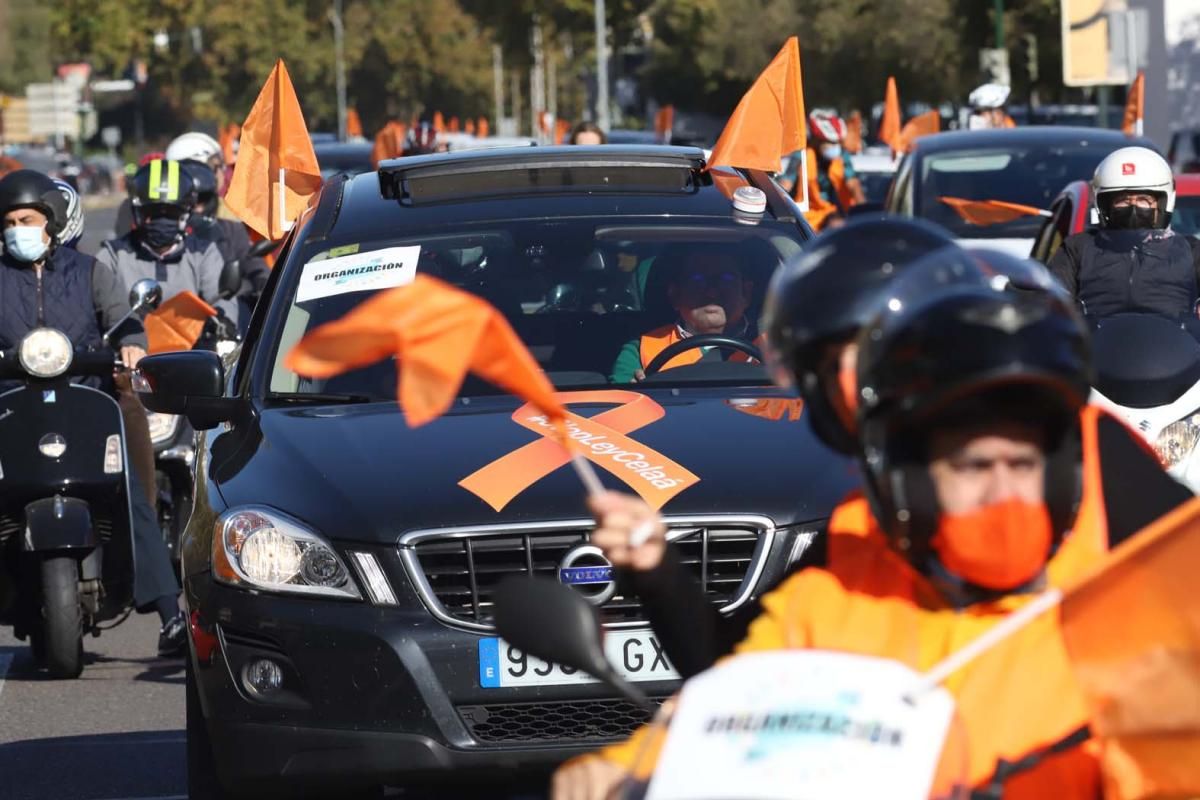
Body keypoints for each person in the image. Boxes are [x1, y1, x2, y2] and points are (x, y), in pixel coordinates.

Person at [557, 250, 1137, 799]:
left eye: (1024, 465)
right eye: (972, 466)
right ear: (913, 481)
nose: (1001, 492)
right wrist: (622, 766)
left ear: (1062, 478)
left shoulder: (1124, 611)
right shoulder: (836, 595)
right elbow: (730, 703)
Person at [0, 169, 186, 656]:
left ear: (52, 222)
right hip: (11, 405)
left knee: (133, 492)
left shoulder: (89, 272)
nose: (17, 228)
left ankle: (170, 613)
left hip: (88, 398)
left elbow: (123, 321)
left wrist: (129, 345)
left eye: (28, 218)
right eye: (10, 221)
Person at [1049, 146, 1200, 321]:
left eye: (1144, 200)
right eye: (1122, 201)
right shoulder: (1078, 249)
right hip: (1097, 346)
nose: (1133, 209)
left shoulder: (1190, 251)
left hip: (1178, 346)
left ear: (1162, 203)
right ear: (1105, 206)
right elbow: (1048, 293)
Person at [95, 158, 235, 323]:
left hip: (194, 347)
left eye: (171, 213)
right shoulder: (113, 256)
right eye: (153, 212)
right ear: (138, 214)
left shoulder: (203, 254)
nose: (162, 220)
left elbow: (222, 301)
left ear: (185, 215)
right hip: (129, 346)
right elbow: (94, 307)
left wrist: (224, 322)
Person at [609, 243, 763, 383]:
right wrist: (635, 394)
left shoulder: (778, 348)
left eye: (725, 279)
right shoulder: (640, 351)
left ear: (746, 293)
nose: (712, 292)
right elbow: (616, 409)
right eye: (697, 280)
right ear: (675, 295)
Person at [179, 158, 268, 326]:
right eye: (189, 202)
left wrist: (265, 284)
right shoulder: (173, 238)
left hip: (228, 316)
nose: (196, 208)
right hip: (184, 320)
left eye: (202, 200)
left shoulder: (232, 230)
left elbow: (252, 261)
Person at [780, 111, 864, 231]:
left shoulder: (841, 156)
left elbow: (854, 184)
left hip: (834, 214)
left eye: (836, 143)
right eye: (829, 143)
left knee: (837, 225)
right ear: (817, 140)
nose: (834, 147)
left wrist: (865, 210)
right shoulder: (803, 155)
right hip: (804, 215)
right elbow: (786, 184)